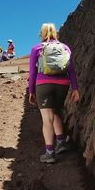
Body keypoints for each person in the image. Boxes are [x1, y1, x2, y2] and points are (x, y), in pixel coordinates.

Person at [28, 23, 80, 163]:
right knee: (56, 112)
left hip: (43, 84)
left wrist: (31, 91)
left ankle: (49, 153)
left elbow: (33, 72)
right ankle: (61, 142)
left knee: (47, 118)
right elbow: (71, 70)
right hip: (63, 84)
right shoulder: (65, 48)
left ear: (42, 34)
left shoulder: (37, 48)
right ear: (55, 33)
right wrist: (75, 88)